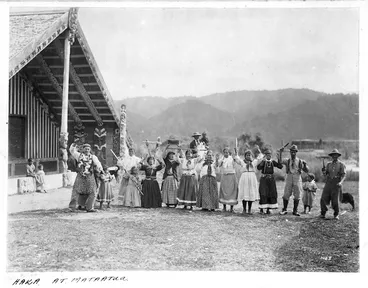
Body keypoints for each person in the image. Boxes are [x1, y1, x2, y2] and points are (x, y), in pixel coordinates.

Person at [69, 143, 103, 213]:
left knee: (93, 191)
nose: (87, 150)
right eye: (85, 149)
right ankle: (72, 207)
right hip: (80, 176)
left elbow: (98, 163)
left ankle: (89, 207)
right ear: (83, 149)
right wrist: (73, 146)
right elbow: (72, 151)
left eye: (88, 149)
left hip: (90, 176)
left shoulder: (93, 157)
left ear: (90, 150)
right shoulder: (78, 155)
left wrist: (100, 169)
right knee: (76, 191)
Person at [278, 144, 309, 216]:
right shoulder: (287, 160)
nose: (293, 153)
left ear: (296, 152)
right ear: (290, 152)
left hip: (297, 177)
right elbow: (280, 161)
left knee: (297, 193)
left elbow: (307, 170)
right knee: (286, 193)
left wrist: (304, 165)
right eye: (291, 151)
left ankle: (295, 210)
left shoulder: (300, 161)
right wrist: (280, 152)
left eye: (294, 152)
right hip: (289, 176)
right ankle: (284, 209)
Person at [320, 149, 346, 220]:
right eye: (333, 155)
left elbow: (343, 175)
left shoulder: (341, 165)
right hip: (328, 182)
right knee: (323, 198)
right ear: (331, 156)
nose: (334, 156)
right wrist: (324, 172)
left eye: (336, 155)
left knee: (335, 200)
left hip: (336, 183)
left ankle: (336, 214)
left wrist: (340, 182)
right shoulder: (328, 164)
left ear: (338, 156)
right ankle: (323, 213)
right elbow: (326, 174)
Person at [236, 149, 263, 214]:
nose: (248, 156)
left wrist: (259, 151)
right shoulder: (242, 162)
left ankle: (250, 209)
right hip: (244, 177)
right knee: (245, 192)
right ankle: (244, 209)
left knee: (250, 193)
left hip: (252, 177)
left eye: (249, 155)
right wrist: (236, 152)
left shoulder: (254, 162)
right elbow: (237, 159)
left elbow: (260, 158)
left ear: (251, 155)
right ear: (245, 156)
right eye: (247, 155)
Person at [257, 149, 283, 214]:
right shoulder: (263, 161)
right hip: (264, 179)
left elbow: (280, 166)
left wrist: (279, 158)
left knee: (270, 193)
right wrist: (262, 161)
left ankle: (268, 209)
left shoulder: (272, 162)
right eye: (267, 154)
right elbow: (258, 168)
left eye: (270, 154)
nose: (269, 156)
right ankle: (262, 209)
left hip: (271, 179)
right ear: (265, 155)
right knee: (263, 193)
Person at [217, 147, 238, 213]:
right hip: (224, 176)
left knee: (232, 191)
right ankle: (224, 207)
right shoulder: (222, 159)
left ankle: (231, 208)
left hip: (231, 176)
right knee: (224, 191)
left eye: (227, 152)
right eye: (225, 152)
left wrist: (236, 154)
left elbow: (235, 163)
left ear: (229, 153)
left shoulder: (232, 158)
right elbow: (218, 165)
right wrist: (219, 160)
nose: (226, 153)